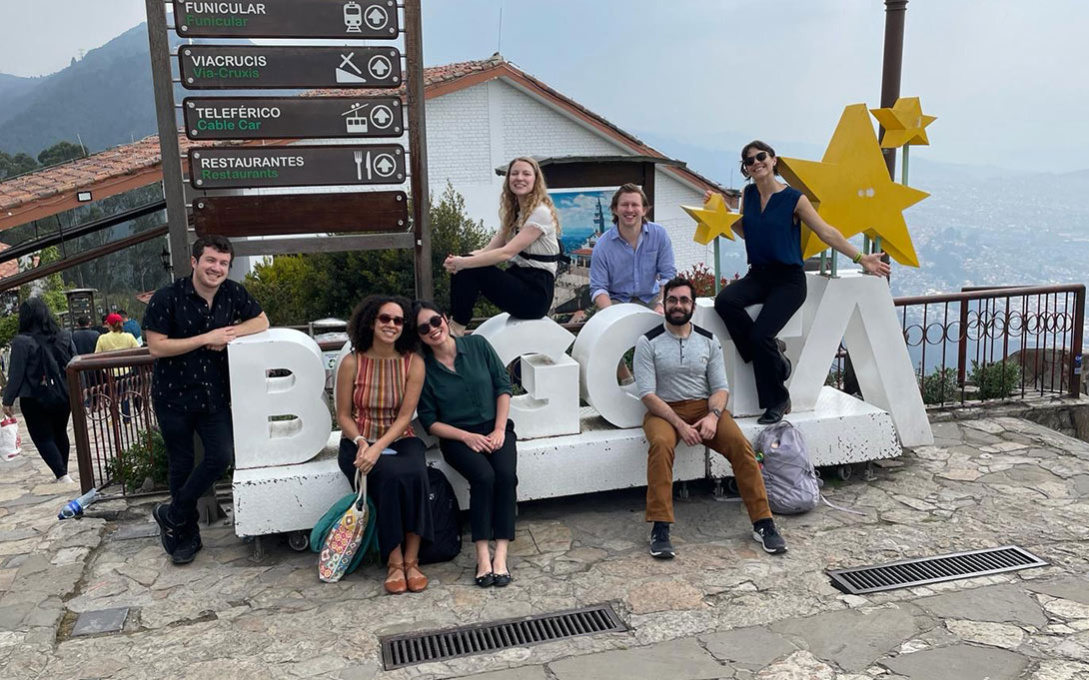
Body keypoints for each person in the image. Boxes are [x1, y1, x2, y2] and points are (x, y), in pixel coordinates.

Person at [708, 141, 890, 424]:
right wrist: (719, 215)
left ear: (773, 159)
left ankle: (778, 400)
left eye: (760, 157)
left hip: (789, 280)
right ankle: (775, 358)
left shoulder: (795, 199)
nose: (755, 163)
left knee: (759, 336)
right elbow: (749, 232)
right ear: (746, 169)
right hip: (759, 274)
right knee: (725, 302)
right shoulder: (748, 194)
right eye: (748, 161)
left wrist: (861, 258)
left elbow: (827, 233)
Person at [635, 276, 787, 558]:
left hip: (705, 410)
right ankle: (660, 526)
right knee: (661, 445)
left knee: (741, 448)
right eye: (672, 300)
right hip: (664, 412)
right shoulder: (649, 342)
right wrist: (680, 425)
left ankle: (763, 523)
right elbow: (647, 394)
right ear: (664, 303)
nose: (678, 305)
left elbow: (720, 389)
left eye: (684, 300)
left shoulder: (708, 340)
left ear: (692, 305)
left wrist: (713, 416)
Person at [144, 235, 269, 566]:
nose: (217, 268)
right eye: (211, 261)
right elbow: (156, 346)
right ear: (194, 262)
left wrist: (230, 334)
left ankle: (171, 514)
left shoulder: (233, 293)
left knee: (220, 457)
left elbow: (262, 321)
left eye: (223, 263)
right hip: (172, 395)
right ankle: (186, 536)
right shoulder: (166, 298)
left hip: (214, 395)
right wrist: (205, 339)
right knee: (181, 464)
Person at [413, 300, 518, 588]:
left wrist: (498, 430)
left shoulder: (479, 346)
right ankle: (483, 556)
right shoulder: (424, 370)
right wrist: (466, 437)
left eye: (435, 321)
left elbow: (503, 386)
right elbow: (430, 420)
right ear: (419, 335)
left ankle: (502, 555)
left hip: (496, 429)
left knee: (506, 477)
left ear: (445, 319)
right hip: (458, 438)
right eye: (424, 328)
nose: (433, 330)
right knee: (484, 478)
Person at [335, 294, 433, 594]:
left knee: (416, 472)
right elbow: (342, 415)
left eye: (399, 320)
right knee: (388, 478)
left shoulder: (413, 363)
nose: (392, 325)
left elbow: (405, 418)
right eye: (385, 318)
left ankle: (412, 560)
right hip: (358, 440)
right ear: (371, 321)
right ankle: (394, 561)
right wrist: (363, 441)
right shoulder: (352, 362)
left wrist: (378, 447)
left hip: (398, 438)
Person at [444, 156, 562, 336]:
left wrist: (463, 263)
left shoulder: (540, 213)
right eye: (514, 174)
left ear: (535, 180)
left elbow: (506, 253)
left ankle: (456, 329)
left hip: (535, 292)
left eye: (526, 174)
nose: (519, 178)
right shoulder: (515, 214)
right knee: (466, 265)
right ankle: (455, 323)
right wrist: (457, 261)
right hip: (520, 279)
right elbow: (487, 251)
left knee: (468, 267)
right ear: (508, 180)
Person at [1, 298, 78, 483]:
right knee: (60, 432)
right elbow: (75, 362)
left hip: (34, 397)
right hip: (62, 394)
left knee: (42, 437)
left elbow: (16, 373)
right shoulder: (64, 335)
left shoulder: (22, 341)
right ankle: (63, 472)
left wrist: (7, 400)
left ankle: (61, 474)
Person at [589, 183, 676, 313]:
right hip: (615, 301)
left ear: (644, 210)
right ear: (615, 209)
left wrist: (661, 304)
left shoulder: (659, 235)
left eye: (635, 205)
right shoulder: (602, 245)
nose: (630, 210)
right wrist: (611, 315)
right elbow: (598, 288)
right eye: (624, 205)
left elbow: (668, 275)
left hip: (652, 300)